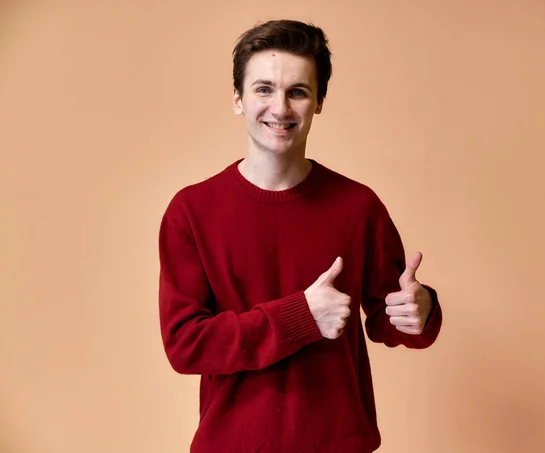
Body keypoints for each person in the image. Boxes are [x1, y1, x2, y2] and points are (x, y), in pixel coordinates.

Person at [158, 19, 443, 453]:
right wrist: (300, 317)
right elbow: (186, 345)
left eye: (298, 91)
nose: (280, 108)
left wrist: (418, 311)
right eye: (263, 89)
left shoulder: (358, 206)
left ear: (319, 101)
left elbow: (391, 320)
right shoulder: (192, 211)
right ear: (237, 99)